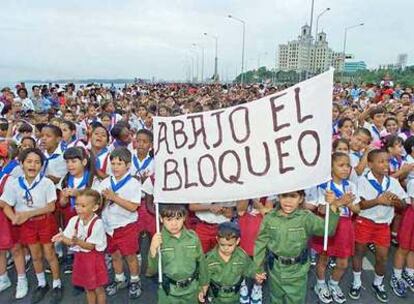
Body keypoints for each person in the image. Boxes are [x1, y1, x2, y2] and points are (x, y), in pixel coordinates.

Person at [254, 190, 340, 304]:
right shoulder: (270, 218)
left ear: (300, 199)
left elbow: (328, 230)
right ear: (278, 197)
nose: (288, 200)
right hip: (275, 269)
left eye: (293, 196)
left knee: (295, 300)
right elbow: (260, 243)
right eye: (284, 195)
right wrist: (258, 268)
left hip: (297, 272)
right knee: (275, 299)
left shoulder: (306, 218)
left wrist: (333, 206)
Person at [0, 148, 62, 304]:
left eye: (37, 162)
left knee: (49, 253)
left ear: (41, 166)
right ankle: (42, 283)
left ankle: (57, 283)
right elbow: (5, 204)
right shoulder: (15, 184)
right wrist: (14, 217)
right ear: (21, 164)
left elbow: (51, 207)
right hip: (27, 226)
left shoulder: (46, 182)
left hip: (44, 222)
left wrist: (28, 214)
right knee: (35, 255)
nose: (32, 165)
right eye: (28, 161)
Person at [350, 149, 407, 302]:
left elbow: (403, 204)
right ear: (370, 164)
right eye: (381, 161)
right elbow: (359, 205)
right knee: (359, 253)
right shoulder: (362, 180)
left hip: (383, 226)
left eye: (387, 161)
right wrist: (378, 201)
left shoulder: (392, 182)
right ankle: (356, 282)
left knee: (382, 257)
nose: (385, 165)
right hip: (364, 222)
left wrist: (396, 201)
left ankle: (378, 283)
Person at [311, 153, 360, 304]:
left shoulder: (351, 186)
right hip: (328, 224)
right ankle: (320, 284)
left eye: (348, 165)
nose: (346, 169)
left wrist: (348, 203)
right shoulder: (323, 186)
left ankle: (334, 284)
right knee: (323, 258)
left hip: (345, 226)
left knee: (343, 262)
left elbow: (357, 209)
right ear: (331, 167)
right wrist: (338, 202)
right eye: (341, 165)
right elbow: (321, 210)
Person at [97, 147, 142, 298]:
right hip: (109, 226)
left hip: (126, 225)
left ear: (128, 165)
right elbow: (98, 205)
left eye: (119, 164)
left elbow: (133, 206)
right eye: (113, 163)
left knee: (130, 255)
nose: (115, 167)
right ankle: (119, 278)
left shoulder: (133, 183)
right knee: (114, 254)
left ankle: (135, 280)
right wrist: (103, 200)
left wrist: (114, 197)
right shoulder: (104, 182)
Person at [52, 189, 108, 304]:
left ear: (94, 207)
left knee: (98, 289)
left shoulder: (97, 223)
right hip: (81, 258)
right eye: (77, 205)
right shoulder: (74, 220)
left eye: (83, 206)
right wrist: (63, 238)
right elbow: (70, 242)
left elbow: (90, 247)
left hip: (94, 260)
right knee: (88, 288)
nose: (78, 208)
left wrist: (77, 241)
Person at [148, 204, 208, 304]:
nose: (174, 224)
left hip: (191, 289)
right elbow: (152, 270)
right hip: (169, 292)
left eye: (178, 218)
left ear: (184, 218)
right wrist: (153, 248)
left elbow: (201, 261)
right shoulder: (158, 240)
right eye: (169, 219)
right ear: (161, 219)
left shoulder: (192, 237)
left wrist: (204, 284)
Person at [58, 147, 97, 274]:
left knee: (87, 243)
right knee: (74, 241)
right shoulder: (65, 179)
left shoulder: (92, 179)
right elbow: (62, 203)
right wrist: (64, 197)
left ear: (84, 162)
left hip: (88, 218)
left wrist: (78, 193)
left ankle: (91, 270)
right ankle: (78, 267)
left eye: (74, 161)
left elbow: (96, 198)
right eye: (67, 162)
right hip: (71, 215)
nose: (70, 165)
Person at [200, 222, 258, 304]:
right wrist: (202, 291)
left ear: (237, 241)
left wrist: (258, 276)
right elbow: (204, 279)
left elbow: (251, 270)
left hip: (235, 297)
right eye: (222, 245)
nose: (226, 248)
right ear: (217, 239)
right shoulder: (209, 259)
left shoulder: (242, 256)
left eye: (230, 245)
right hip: (216, 298)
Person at [0, 144, 27, 299]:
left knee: (16, 248)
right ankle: (3, 277)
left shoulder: (9, 178)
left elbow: (7, 202)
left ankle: (22, 279)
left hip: (8, 218)